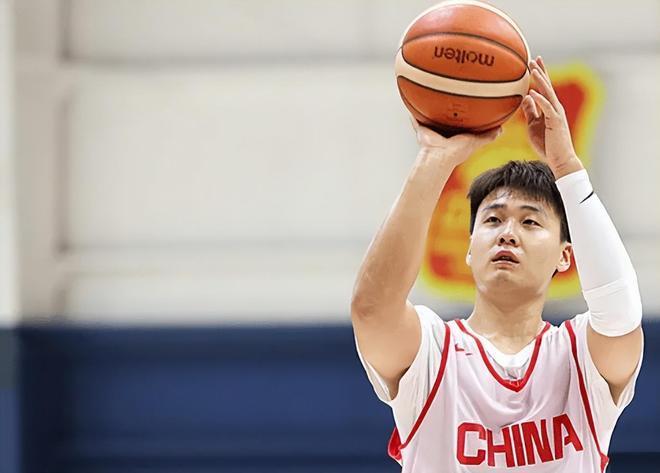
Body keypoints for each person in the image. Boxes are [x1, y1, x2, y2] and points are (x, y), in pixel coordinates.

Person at [350, 56, 643, 472]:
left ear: (565, 255)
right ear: (470, 249)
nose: (508, 233)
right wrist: (435, 157)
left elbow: (620, 316)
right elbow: (372, 309)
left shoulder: (581, 355)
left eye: (530, 222)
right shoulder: (433, 352)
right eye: (492, 220)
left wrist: (567, 168)